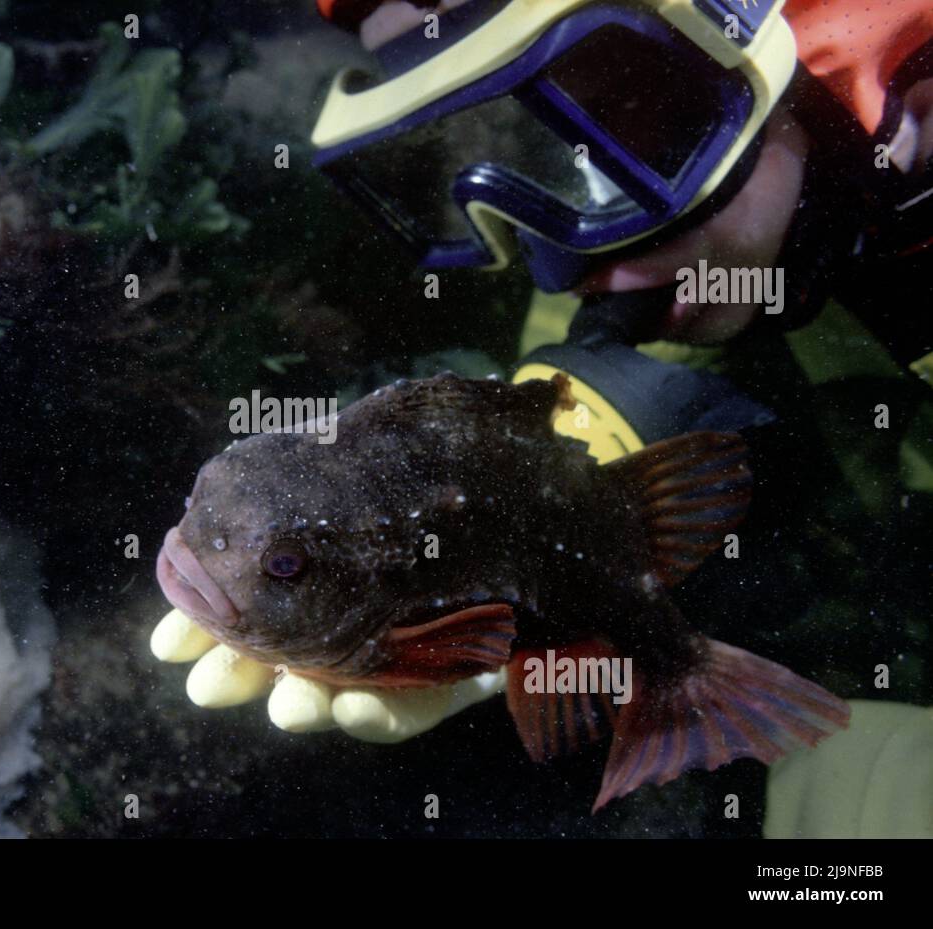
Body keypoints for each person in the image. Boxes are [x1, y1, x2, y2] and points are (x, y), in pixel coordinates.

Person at [150, 0, 933, 739]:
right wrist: (596, 407)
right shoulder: (682, 253)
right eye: (506, 146)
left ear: (745, 29)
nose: (559, 263)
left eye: (616, 115)